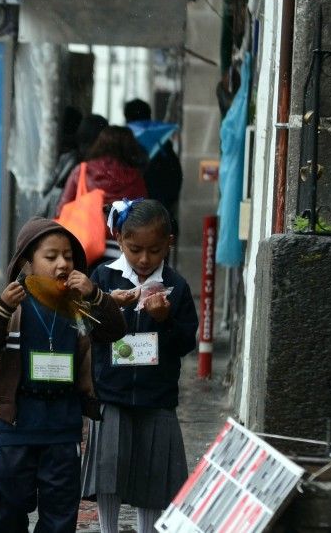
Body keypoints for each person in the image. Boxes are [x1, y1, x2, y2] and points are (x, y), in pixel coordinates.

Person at [0, 217, 127, 533]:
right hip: (17, 426)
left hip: (63, 426)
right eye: (51, 256)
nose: (62, 264)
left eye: (68, 256)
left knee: (61, 513)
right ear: (28, 261)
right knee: (8, 506)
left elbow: (114, 330)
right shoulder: (11, 304)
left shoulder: (78, 305)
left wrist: (96, 295)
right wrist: (1, 309)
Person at [81, 199, 198, 533]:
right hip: (112, 391)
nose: (145, 259)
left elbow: (184, 342)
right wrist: (108, 306)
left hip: (156, 394)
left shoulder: (176, 287)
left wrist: (165, 320)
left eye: (155, 250)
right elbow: (87, 329)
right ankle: (108, 528)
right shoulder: (103, 277)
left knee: (154, 471)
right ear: (119, 240)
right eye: (135, 249)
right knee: (109, 470)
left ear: (169, 244)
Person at [56, 125, 148, 265]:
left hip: (85, 245)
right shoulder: (136, 177)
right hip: (122, 249)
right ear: (130, 148)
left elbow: (62, 209)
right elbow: (144, 215)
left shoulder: (82, 171)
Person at [124, 98, 183, 234]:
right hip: (160, 219)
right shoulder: (162, 145)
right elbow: (176, 178)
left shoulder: (126, 146)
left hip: (132, 221)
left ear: (127, 119)